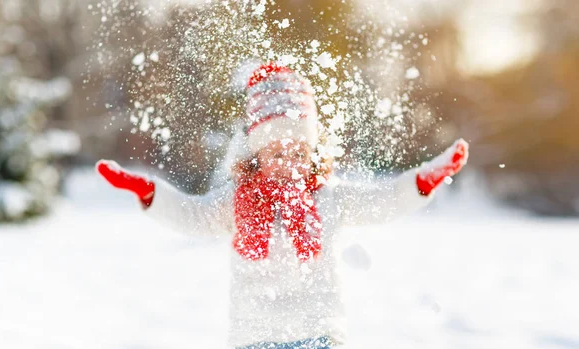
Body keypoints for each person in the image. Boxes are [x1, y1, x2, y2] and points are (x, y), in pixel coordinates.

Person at [96, 62, 469, 349]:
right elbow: (193, 215)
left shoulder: (327, 197)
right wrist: (148, 191)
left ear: (312, 152)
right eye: (276, 151)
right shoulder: (237, 200)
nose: (288, 160)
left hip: (319, 331)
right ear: (257, 154)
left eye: (299, 151)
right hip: (256, 334)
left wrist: (422, 182)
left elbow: (380, 202)